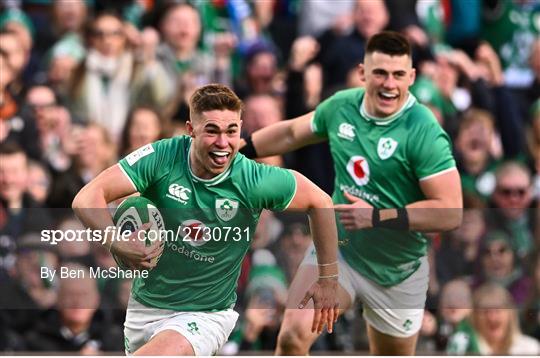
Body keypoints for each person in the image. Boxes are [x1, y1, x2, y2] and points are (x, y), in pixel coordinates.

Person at [72, 83, 339, 355]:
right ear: (191, 130)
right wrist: (116, 241)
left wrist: (328, 279)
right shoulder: (163, 156)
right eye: (212, 131)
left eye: (231, 132)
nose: (223, 143)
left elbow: (321, 202)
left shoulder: (253, 179)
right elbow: (87, 197)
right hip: (145, 307)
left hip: (206, 315)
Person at [241, 31, 463, 354]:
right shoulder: (342, 107)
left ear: (412, 77)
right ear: (362, 73)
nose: (389, 84)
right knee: (291, 337)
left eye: (398, 74)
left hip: (397, 269)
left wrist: (377, 217)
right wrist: (237, 150)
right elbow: (290, 133)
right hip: (339, 250)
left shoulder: (424, 131)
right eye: (380, 73)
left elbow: (451, 211)